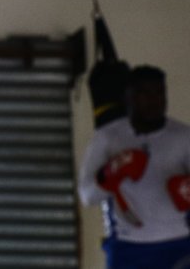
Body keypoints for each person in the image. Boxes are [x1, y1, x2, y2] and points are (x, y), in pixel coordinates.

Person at [79, 65, 190, 269]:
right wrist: (111, 172)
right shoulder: (108, 138)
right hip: (129, 247)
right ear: (128, 97)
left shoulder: (183, 137)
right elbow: (87, 196)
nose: (153, 100)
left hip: (181, 245)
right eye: (144, 93)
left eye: (159, 93)